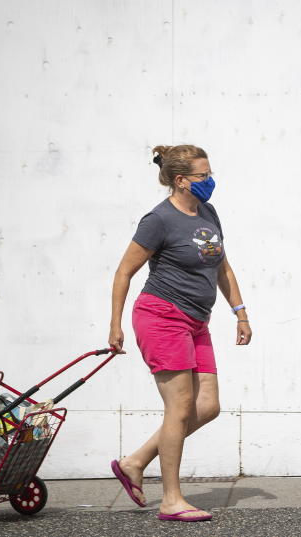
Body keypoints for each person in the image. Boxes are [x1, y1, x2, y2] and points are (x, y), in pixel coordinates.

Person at [107, 144, 252, 523]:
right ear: (180, 180)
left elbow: (222, 266)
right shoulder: (158, 220)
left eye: (210, 173)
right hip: (161, 316)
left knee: (207, 407)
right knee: (180, 407)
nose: (210, 181)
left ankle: (135, 462)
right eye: (203, 176)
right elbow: (125, 271)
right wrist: (115, 324)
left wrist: (240, 313)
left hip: (196, 321)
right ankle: (171, 499)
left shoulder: (208, 212)